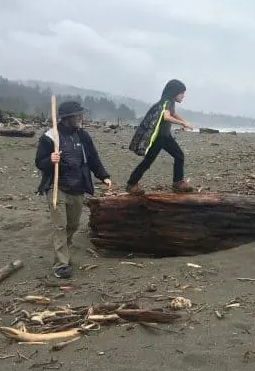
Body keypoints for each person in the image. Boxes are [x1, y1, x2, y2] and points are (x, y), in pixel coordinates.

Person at [35, 100, 112, 279]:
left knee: (73, 225)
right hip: (57, 187)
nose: (80, 118)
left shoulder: (83, 136)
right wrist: (51, 160)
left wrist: (104, 176)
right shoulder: (50, 137)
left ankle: (64, 252)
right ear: (67, 118)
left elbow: (93, 158)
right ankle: (61, 264)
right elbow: (40, 162)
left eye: (80, 115)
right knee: (59, 226)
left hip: (78, 186)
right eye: (77, 115)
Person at [126, 79, 195, 195]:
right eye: (182, 93)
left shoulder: (168, 102)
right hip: (162, 137)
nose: (183, 96)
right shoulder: (167, 101)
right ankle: (178, 183)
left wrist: (184, 121)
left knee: (148, 161)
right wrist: (182, 123)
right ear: (175, 92)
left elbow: (172, 113)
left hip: (161, 137)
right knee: (179, 156)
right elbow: (166, 117)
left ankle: (131, 184)